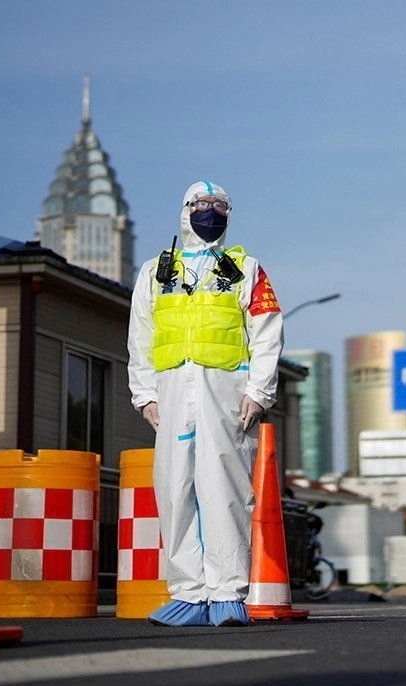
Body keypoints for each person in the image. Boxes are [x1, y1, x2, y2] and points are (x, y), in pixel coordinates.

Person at [127, 180, 284, 627]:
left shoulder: (246, 269)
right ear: (185, 209)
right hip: (173, 392)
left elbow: (267, 331)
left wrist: (259, 391)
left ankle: (227, 591)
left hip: (226, 393)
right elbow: (140, 336)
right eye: (201, 203)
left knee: (225, 489)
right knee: (174, 488)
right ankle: (188, 593)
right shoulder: (156, 272)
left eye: (219, 205)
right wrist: (145, 394)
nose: (210, 211)